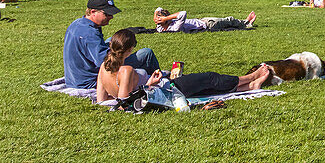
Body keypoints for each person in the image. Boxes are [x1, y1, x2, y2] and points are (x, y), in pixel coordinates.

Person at [96, 29, 273, 104]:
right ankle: (249, 78)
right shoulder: (125, 70)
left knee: (204, 87)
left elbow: (102, 100)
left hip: (161, 88)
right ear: (130, 49)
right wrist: (150, 83)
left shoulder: (103, 68)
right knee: (209, 78)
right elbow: (125, 103)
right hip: (163, 90)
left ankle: (249, 87)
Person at [64, 0, 160, 90]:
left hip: (74, 79)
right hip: (89, 81)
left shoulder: (78, 23)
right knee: (146, 54)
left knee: (111, 39)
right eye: (107, 14)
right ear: (93, 12)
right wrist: (124, 50)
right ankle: (159, 80)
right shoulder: (90, 33)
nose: (111, 17)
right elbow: (105, 63)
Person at [153, 7, 256, 32]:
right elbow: (183, 13)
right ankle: (246, 22)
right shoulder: (175, 27)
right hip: (207, 24)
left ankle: (246, 24)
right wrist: (167, 18)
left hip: (202, 21)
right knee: (229, 20)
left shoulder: (160, 28)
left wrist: (156, 14)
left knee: (230, 27)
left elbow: (158, 8)